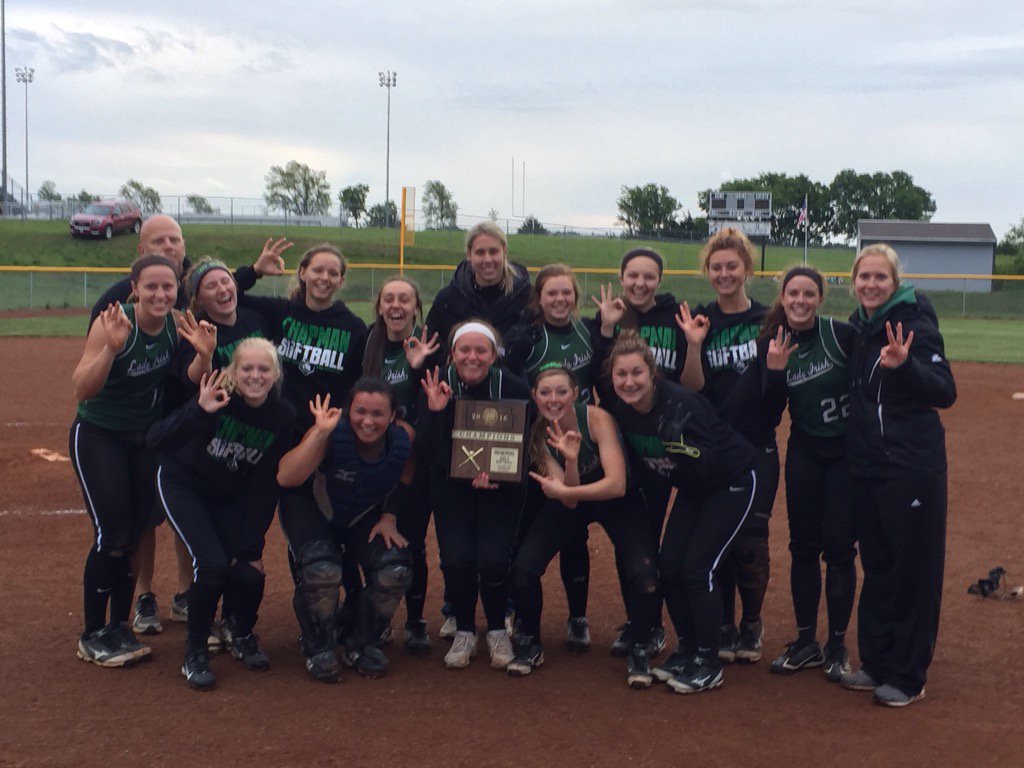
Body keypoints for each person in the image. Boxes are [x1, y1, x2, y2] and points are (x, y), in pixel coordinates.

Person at [87, 215, 290, 635]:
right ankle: (144, 595)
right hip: (149, 415)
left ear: (184, 245)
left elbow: (221, 286)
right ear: (140, 253)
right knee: (140, 519)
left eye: (174, 239)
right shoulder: (119, 299)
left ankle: (184, 592)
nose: (168, 245)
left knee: (182, 513)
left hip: (194, 417)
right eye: (158, 240)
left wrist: (250, 271)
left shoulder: (191, 294)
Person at [237, 242, 369, 682]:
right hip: (275, 439)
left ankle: (345, 621)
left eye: (334, 273)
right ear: (304, 272)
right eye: (318, 270)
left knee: (325, 539)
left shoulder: (352, 327)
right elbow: (224, 297)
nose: (325, 278)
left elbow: (359, 388)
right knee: (255, 527)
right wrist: (253, 270)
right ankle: (236, 622)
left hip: (324, 443)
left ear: (342, 280)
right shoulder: (280, 314)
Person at [69, 254, 205, 667]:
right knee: (110, 533)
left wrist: (205, 354)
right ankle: (92, 634)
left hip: (142, 439)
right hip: (99, 435)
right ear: (135, 288)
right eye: (152, 287)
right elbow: (83, 389)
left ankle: (119, 626)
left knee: (133, 531)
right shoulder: (115, 322)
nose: (161, 294)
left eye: (168, 287)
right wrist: (111, 349)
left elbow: (194, 378)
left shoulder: (177, 324)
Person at [605, 331, 758, 694]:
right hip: (693, 489)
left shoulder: (682, 403)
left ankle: (709, 660)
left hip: (730, 482)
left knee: (697, 568)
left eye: (637, 373)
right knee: (669, 566)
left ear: (652, 372)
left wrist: (680, 446)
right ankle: (688, 647)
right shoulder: (620, 412)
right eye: (621, 374)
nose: (629, 382)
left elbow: (711, 462)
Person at [839, 244, 956, 707]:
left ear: (894, 281)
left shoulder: (914, 323)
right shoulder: (859, 326)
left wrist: (905, 365)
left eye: (879, 278)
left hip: (911, 467)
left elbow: (945, 391)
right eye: (863, 277)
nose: (870, 285)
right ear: (854, 281)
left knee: (914, 570)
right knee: (880, 566)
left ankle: (908, 676)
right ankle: (876, 662)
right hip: (868, 467)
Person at [148, 339, 297, 691]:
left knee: (247, 569)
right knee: (213, 566)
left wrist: (251, 544)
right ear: (233, 371)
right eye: (246, 368)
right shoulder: (216, 396)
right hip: (184, 484)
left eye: (264, 369)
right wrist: (199, 410)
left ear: (275, 374)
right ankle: (195, 650)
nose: (255, 376)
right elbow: (156, 440)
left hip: (230, 493)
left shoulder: (283, 415)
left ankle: (239, 631)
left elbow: (264, 483)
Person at [509, 367, 660, 688]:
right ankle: (531, 642)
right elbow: (570, 503)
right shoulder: (537, 434)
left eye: (562, 392)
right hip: (575, 498)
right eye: (545, 393)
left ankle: (639, 647)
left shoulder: (596, 419)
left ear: (576, 393)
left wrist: (568, 488)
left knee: (644, 572)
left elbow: (616, 484)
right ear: (534, 396)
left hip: (619, 502)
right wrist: (571, 462)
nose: (554, 400)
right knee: (524, 569)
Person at [677, 227, 784, 664]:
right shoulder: (700, 319)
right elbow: (691, 387)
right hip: (711, 447)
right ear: (707, 271)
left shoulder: (767, 320)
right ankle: (720, 620)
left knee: (750, 542)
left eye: (732, 266)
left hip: (756, 444)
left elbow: (775, 397)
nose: (724, 273)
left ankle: (751, 623)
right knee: (713, 537)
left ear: (747, 269)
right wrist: (693, 346)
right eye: (716, 267)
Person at [277, 378, 416, 680]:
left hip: (357, 511)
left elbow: (406, 472)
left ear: (393, 416)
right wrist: (319, 435)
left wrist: (389, 516)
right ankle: (319, 645)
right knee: (322, 569)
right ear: (347, 412)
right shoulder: (330, 432)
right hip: (311, 505)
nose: (368, 421)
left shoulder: (402, 438)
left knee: (395, 569)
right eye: (359, 412)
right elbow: (286, 478)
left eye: (378, 414)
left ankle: (362, 640)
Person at [759, 266, 858, 680]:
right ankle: (805, 642)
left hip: (845, 455)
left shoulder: (840, 335)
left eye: (808, 294)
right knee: (802, 547)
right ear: (782, 297)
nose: (800, 301)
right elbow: (766, 414)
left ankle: (836, 644)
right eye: (793, 293)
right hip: (805, 452)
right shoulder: (772, 342)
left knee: (838, 548)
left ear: (820, 298)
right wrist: (776, 371)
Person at [590, 247, 689, 656]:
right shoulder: (610, 317)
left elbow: (687, 378)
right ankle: (641, 623)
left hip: (665, 443)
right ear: (622, 275)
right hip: (624, 445)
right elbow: (599, 378)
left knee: (663, 541)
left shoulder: (675, 318)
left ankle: (652, 623)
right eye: (633, 275)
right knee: (634, 537)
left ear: (659, 280)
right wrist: (607, 329)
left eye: (648, 276)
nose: (640, 283)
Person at [418, 320, 531, 670]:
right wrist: (435, 413)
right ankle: (465, 629)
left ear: (494, 354)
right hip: (450, 489)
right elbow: (425, 450)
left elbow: (523, 444)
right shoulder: (437, 385)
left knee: (494, 561)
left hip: (500, 489)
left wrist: (500, 477)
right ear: (451, 354)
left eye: (481, 350)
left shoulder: (512, 385)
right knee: (457, 560)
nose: (472, 356)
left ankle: (497, 628)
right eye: (464, 350)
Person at [503, 264, 601, 652]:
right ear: (539, 299)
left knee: (574, 533)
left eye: (566, 293)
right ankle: (519, 609)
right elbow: (507, 380)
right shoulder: (530, 336)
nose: (560, 300)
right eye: (552, 294)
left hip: (579, 439)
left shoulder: (587, 331)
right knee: (525, 527)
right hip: (536, 441)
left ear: (575, 296)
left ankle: (578, 617)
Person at [362, 277, 439, 654]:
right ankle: (377, 615)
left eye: (404, 299)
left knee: (412, 540)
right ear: (379, 306)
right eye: (388, 298)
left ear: (415, 306)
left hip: (417, 459)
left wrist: (416, 366)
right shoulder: (367, 342)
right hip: (374, 457)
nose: (396, 306)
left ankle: (416, 619)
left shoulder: (428, 343)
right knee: (373, 537)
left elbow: (435, 406)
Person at [424, 221, 531, 350]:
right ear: (469, 254)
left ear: (505, 252)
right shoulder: (448, 300)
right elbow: (430, 349)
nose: (487, 260)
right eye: (480, 253)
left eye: (493, 252)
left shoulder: (527, 297)